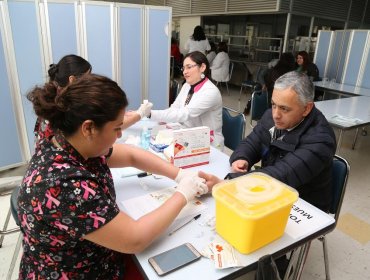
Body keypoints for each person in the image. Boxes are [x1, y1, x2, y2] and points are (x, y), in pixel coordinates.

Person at [18, 73, 213, 279]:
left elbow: (129, 154)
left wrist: (180, 175)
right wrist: (183, 194)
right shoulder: (63, 184)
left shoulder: (67, 138)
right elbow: (134, 239)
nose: (120, 135)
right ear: (89, 128)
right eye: (117, 128)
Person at [229, 71, 336, 212]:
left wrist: (229, 182)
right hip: (273, 193)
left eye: (284, 109)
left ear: (307, 108)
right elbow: (252, 141)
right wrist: (242, 157)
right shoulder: (273, 117)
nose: (275, 114)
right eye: (274, 105)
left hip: (303, 207)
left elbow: (283, 174)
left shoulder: (320, 140)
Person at [33, 54, 151, 148]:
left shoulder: (54, 99)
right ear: (72, 79)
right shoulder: (68, 107)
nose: (89, 80)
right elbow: (105, 126)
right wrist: (139, 114)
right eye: (87, 76)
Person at [144, 51, 224, 149]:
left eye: (189, 67)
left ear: (202, 67)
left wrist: (150, 114)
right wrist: (161, 118)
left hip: (208, 142)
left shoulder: (211, 92)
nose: (184, 72)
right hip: (188, 135)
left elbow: (185, 114)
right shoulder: (187, 85)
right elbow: (174, 108)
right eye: (184, 68)